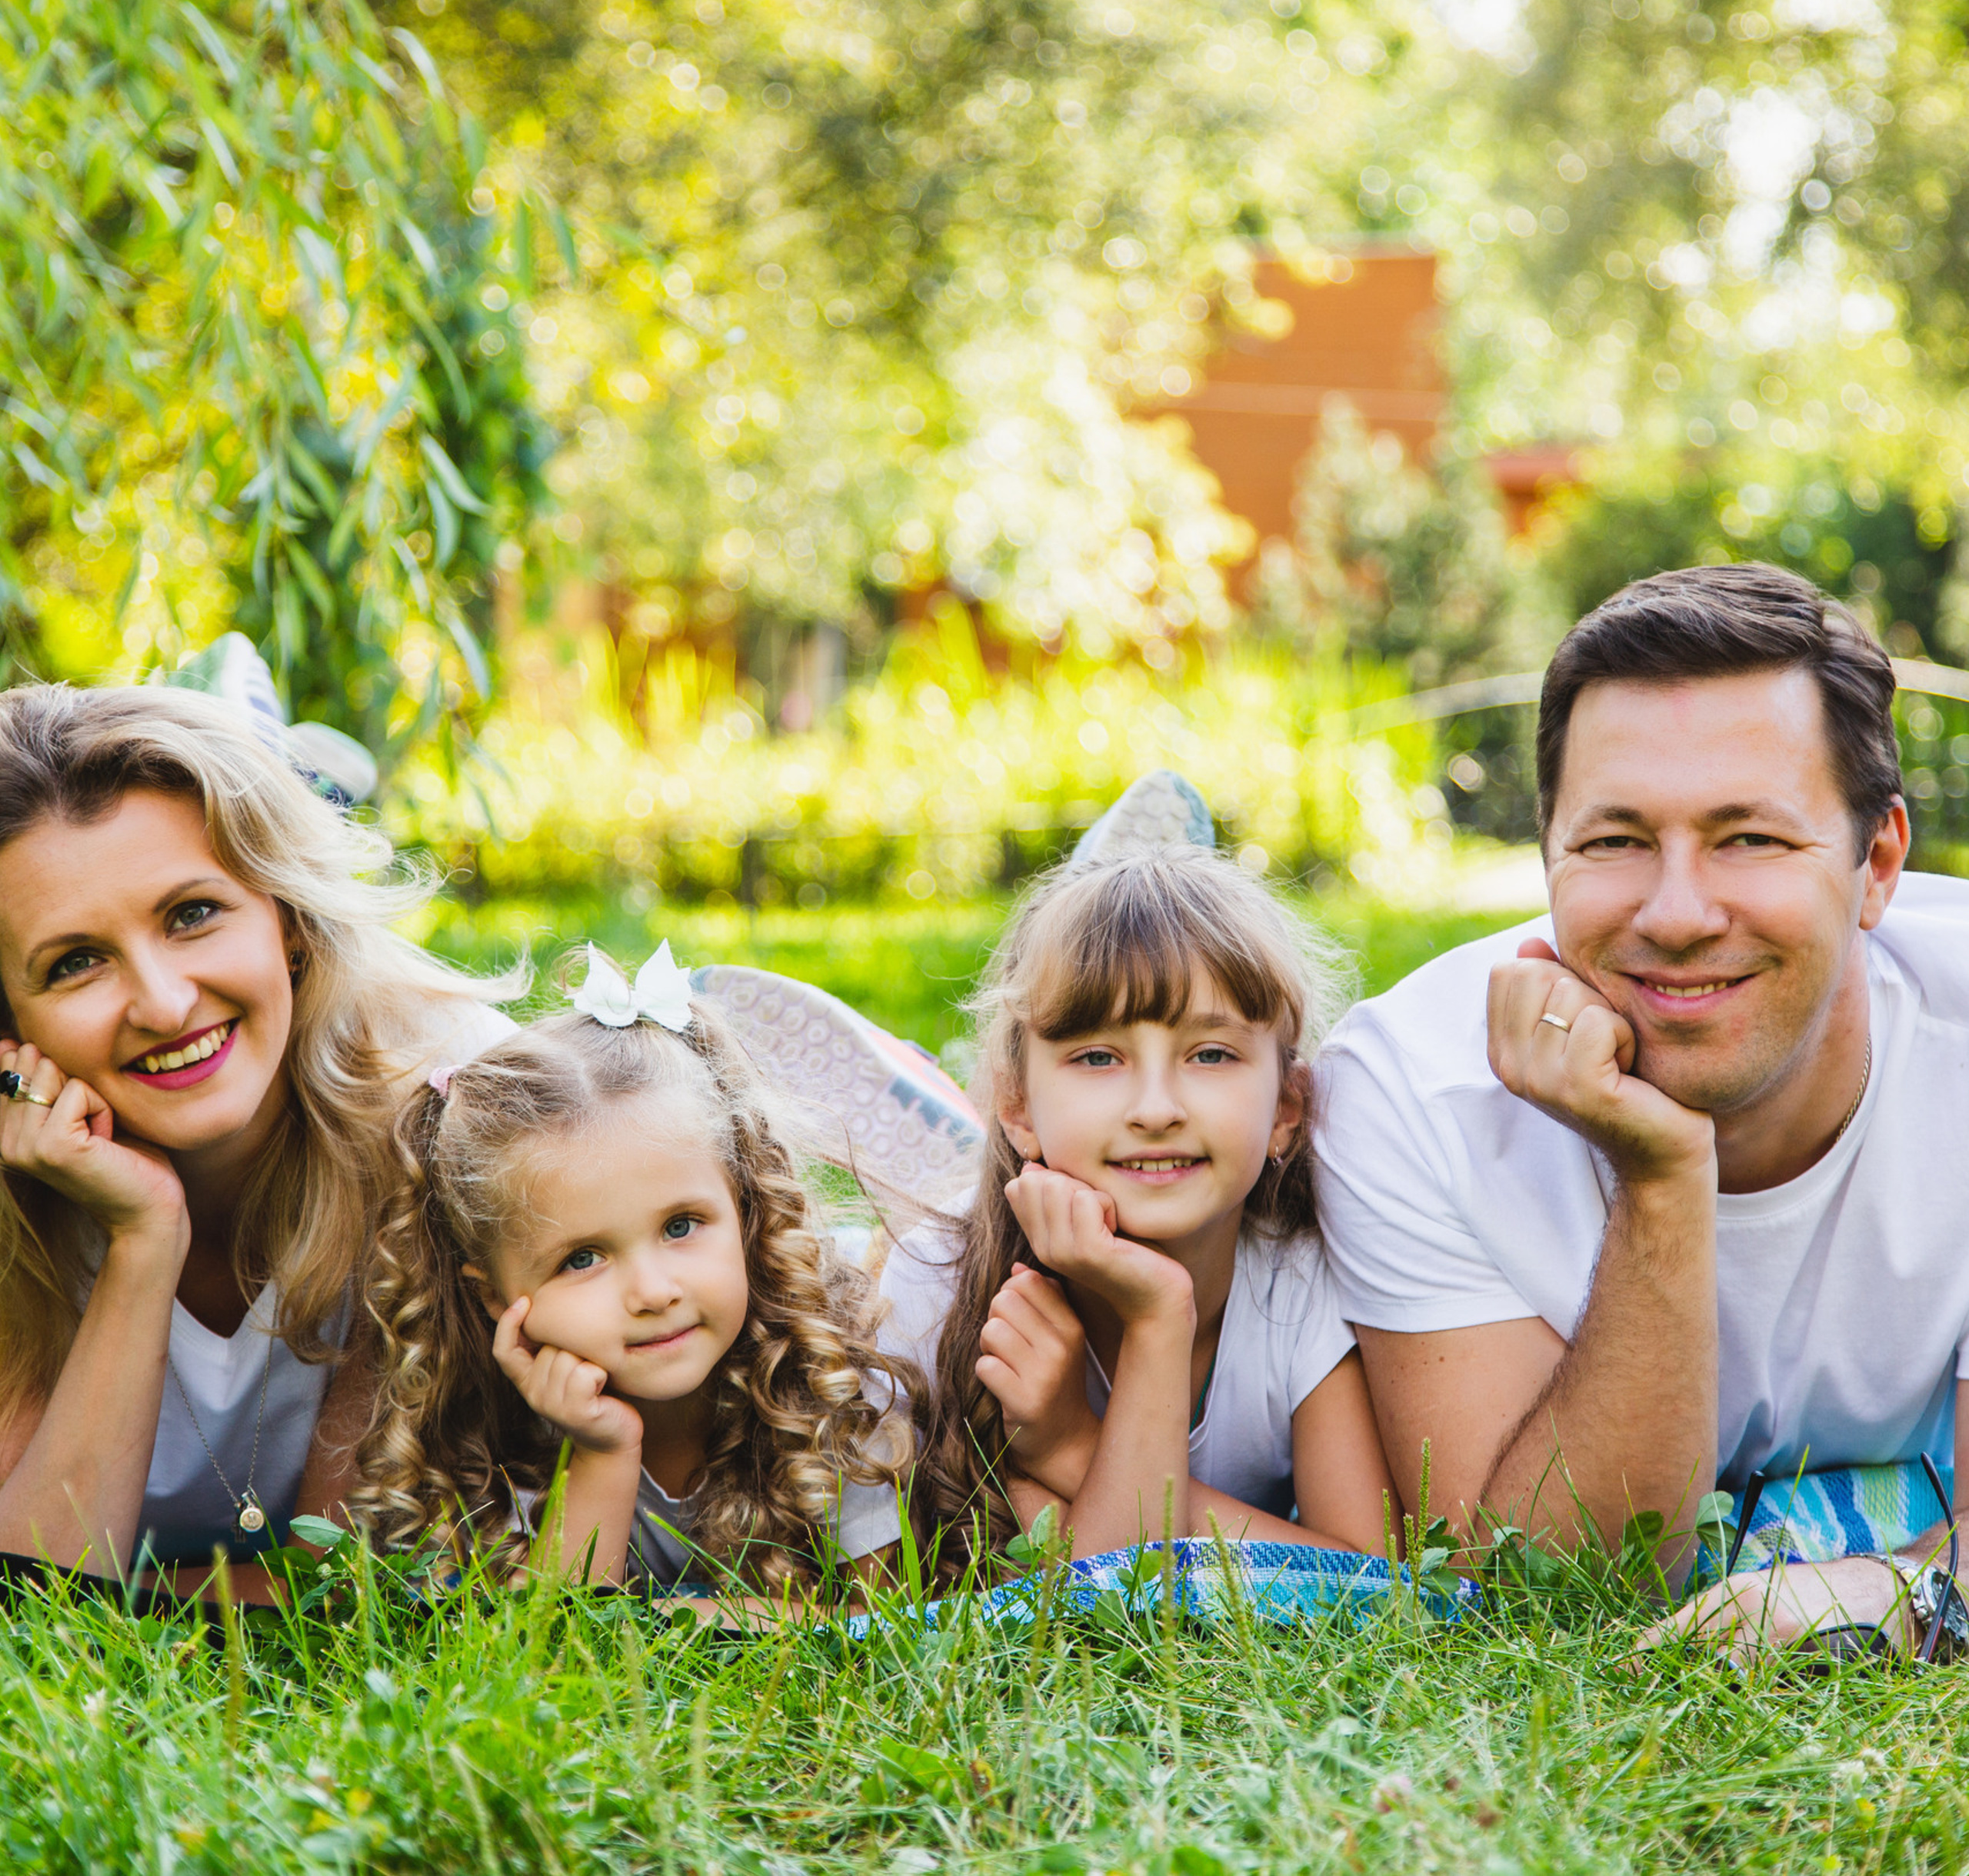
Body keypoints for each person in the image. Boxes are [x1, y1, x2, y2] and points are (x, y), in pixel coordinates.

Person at [1315, 562, 1969, 1656]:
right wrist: (1662, 1177)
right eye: (1615, 841)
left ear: (1878, 865)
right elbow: (1541, 1589)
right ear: (1546, 857)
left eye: (1749, 838)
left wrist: (1896, 1596)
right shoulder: (1405, 1092)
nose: (1674, 914)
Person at [0, 681, 511, 1594]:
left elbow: (354, 1581)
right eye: (75, 962)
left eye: (192, 912)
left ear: (291, 921)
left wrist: (166, 1594)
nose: (162, 1003)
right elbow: (39, 1596)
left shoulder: (449, 1108)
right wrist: (145, 1237)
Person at [883, 845, 1396, 1569]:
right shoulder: (935, 1283)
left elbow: (1372, 1581)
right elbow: (1107, 1608)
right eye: (1098, 1057)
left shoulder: (1306, 1277)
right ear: (1017, 1105)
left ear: (1287, 1105)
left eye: (1210, 1054)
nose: (1157, 1110)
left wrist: (1072, 1444)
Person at [350, 946, 918, 1598]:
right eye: (582, 1259)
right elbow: (553, 1647)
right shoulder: (496, 1439)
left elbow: (882, 1628)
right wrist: (602, 1454)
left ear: (744, 1209)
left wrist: (712, 1626)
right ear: (495, 1297)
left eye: (681, 1226)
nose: (653, 1292)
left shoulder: (832, 1386)